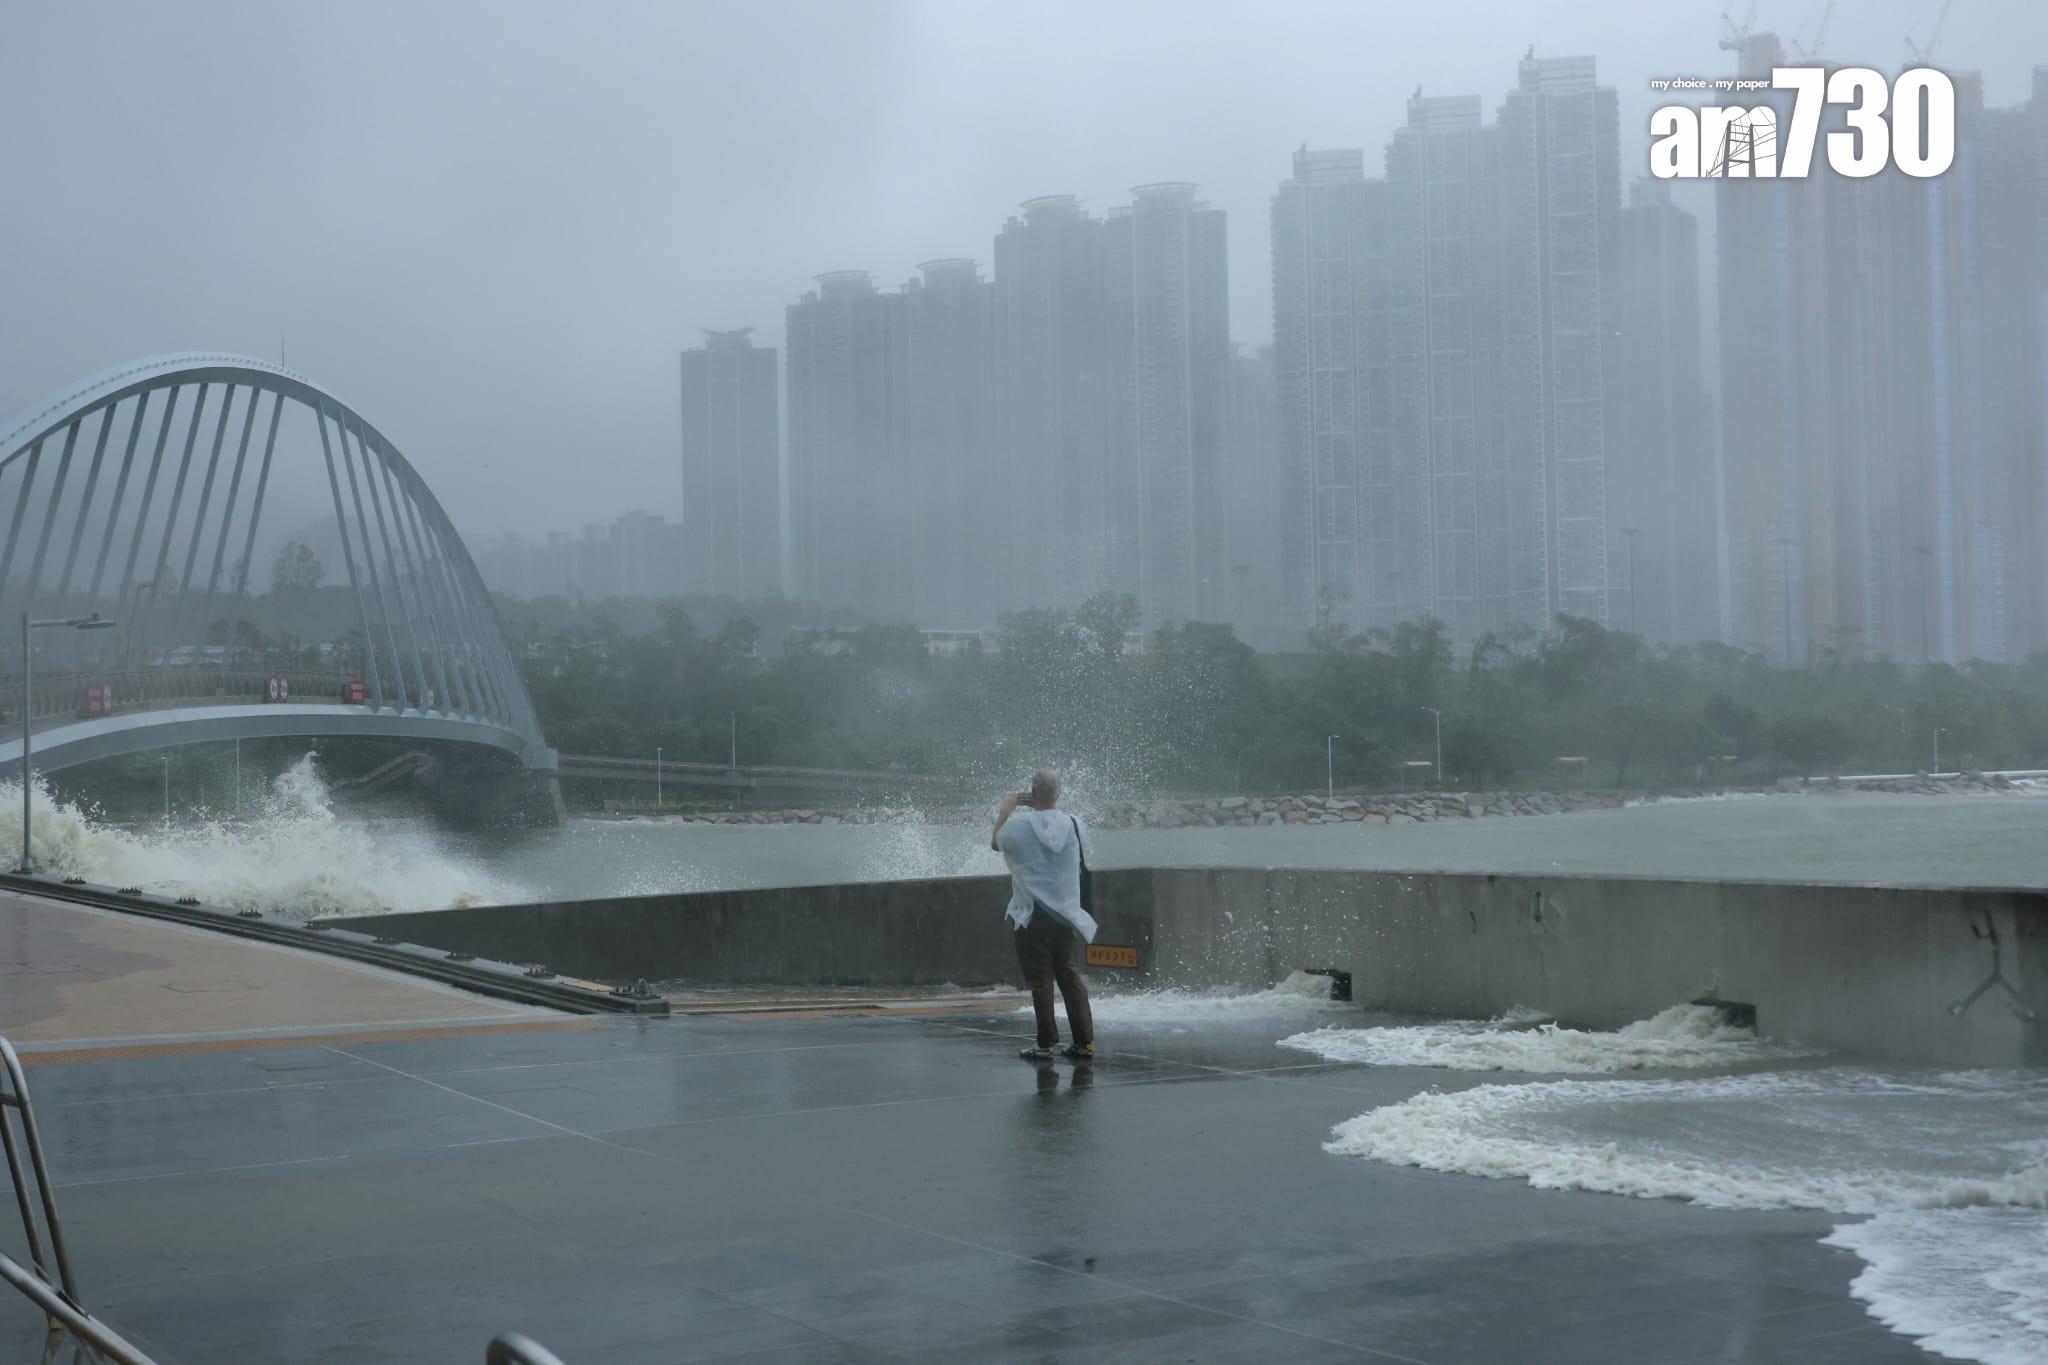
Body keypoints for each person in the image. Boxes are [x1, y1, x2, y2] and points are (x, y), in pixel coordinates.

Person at [991, 770, 1096, 1062]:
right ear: (1058, 793)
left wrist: (1005, 811)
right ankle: (1084, 1042)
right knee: (1069, 975)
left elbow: (996, 843)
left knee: (1041, 979)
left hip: (1032, 913)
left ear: (1032, 790)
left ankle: (1046, 1043)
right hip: (1065, 914)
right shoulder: (1074, 824)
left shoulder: (1018, 824)